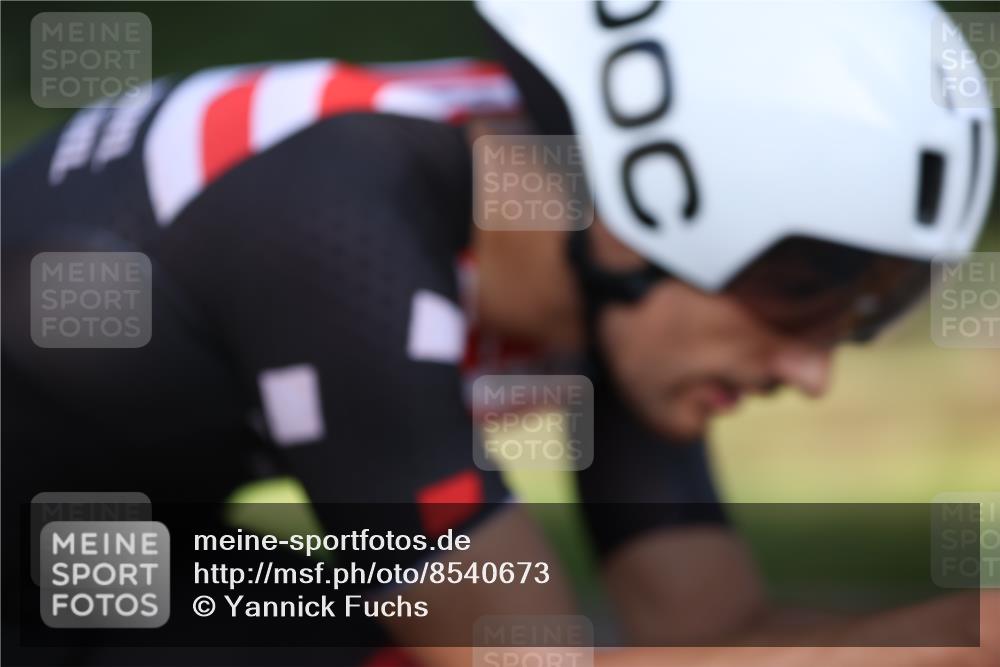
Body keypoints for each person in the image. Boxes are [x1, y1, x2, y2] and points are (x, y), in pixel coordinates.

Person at [2, 1, 995, 666]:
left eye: (871, 306)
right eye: (799, 285)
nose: (812, 370)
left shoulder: (596, 256)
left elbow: (704, 628)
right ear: (651, 197)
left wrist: (969, 625)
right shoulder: (332, 218)